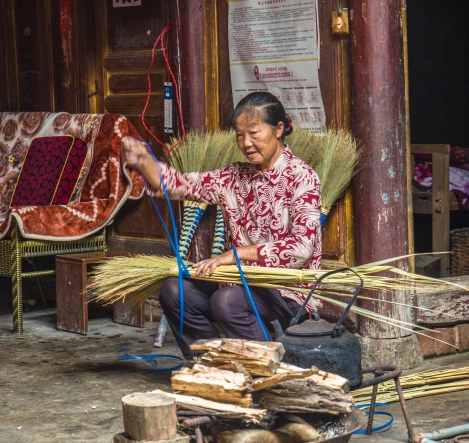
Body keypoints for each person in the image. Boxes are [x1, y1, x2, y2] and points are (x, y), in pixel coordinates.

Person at [121, 92, 322, 359]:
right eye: (239, 135)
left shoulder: (302, 177)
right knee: (175, 292)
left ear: (279, 129)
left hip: (287, 290)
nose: (246, 143)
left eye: (254, 133)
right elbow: (179, 184)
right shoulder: (232, 176)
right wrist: (144, 161)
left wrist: (235, 255)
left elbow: (303, 247)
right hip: (237, 282)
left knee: (226, 301)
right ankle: (212, 366)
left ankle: (265, 373)